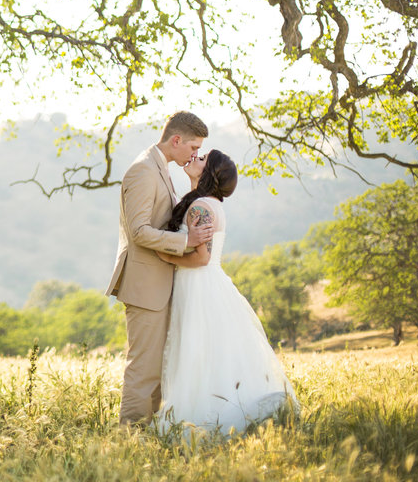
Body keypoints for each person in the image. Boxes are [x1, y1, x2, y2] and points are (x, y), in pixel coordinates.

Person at [154, 150, 298, 437]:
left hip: (199, 284)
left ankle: (203, 421)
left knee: (198, 350)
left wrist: (167, 258)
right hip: (206, 283)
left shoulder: (201, 207)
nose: (196, 156)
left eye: (204, 157)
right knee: (211, 350)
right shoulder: (211, 204)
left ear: (211, 172)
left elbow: (201, 258)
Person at [107, 111, 214, 425]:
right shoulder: (142, 170)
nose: (195, 155)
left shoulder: (161, 168)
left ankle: (147, 433)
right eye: (193, 148)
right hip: (144, 286)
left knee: (156, 367)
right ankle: (130, 437)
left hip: (158, 283)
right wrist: (186, 242)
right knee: (144, 369)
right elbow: (139, 231)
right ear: (176, 140)